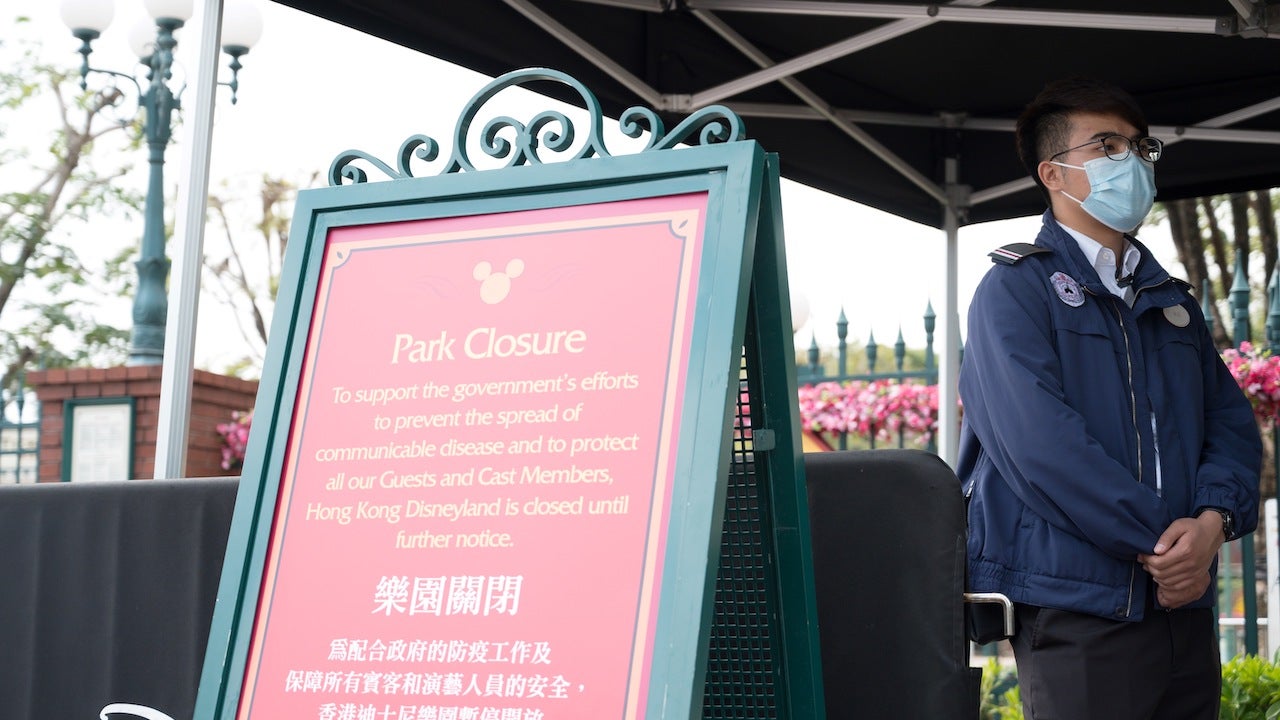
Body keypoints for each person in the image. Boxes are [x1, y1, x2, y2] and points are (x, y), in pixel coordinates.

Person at [957, 77, 1262, 720]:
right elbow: (1042, 446)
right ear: (1053, 172)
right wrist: (1165, 547)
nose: (1132, 161)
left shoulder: (1172, 301)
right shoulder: (1014, 290)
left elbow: (1231, 426)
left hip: (1182, 605)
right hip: (1081, 607)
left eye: (1137, 147)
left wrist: (1211, 525)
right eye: (1108, 145)